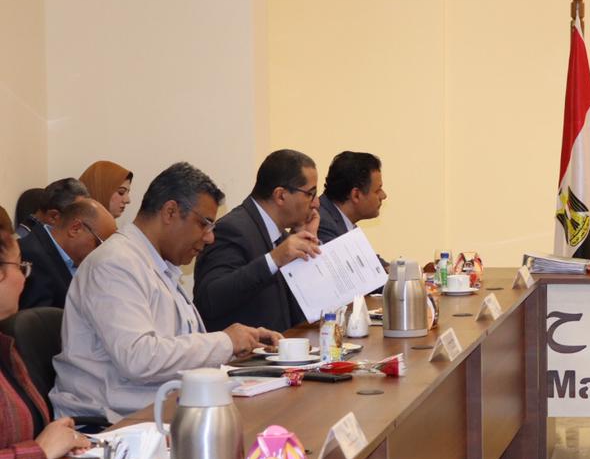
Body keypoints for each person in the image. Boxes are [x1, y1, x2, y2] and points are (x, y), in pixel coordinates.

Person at [50, 163, 279, 424]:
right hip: (111, 426)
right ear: (170, 211)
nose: (210, 238)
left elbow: (178, 345)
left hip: (155, 413)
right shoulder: (114, 263)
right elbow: (139, 358)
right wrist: (225, 342)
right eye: (204, 224)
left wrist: (241, 341)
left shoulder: (156, 264)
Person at [0, 206, 91, 459]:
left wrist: (55, 437)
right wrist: (38, 451)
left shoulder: (6, 347)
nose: (24, 279)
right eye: (20, 267)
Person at [194, 149, 321, 333]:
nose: (316, 203)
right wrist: (274, 259)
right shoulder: (231, 229)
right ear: (280, 195)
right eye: (310, 193)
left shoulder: (284, 238)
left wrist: (310, 244)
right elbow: (209, 299)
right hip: (245, 351)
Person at [19, 197, 116, 309]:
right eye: (100, 244)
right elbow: (38, 318)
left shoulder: (75, 259)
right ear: (75, 229)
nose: (101, 253)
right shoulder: (31, 257)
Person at [317, 151, 387, 244]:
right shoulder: (321, 223)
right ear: (356, 195)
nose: (383, 196)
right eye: (378, 190)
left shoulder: (343, 223)